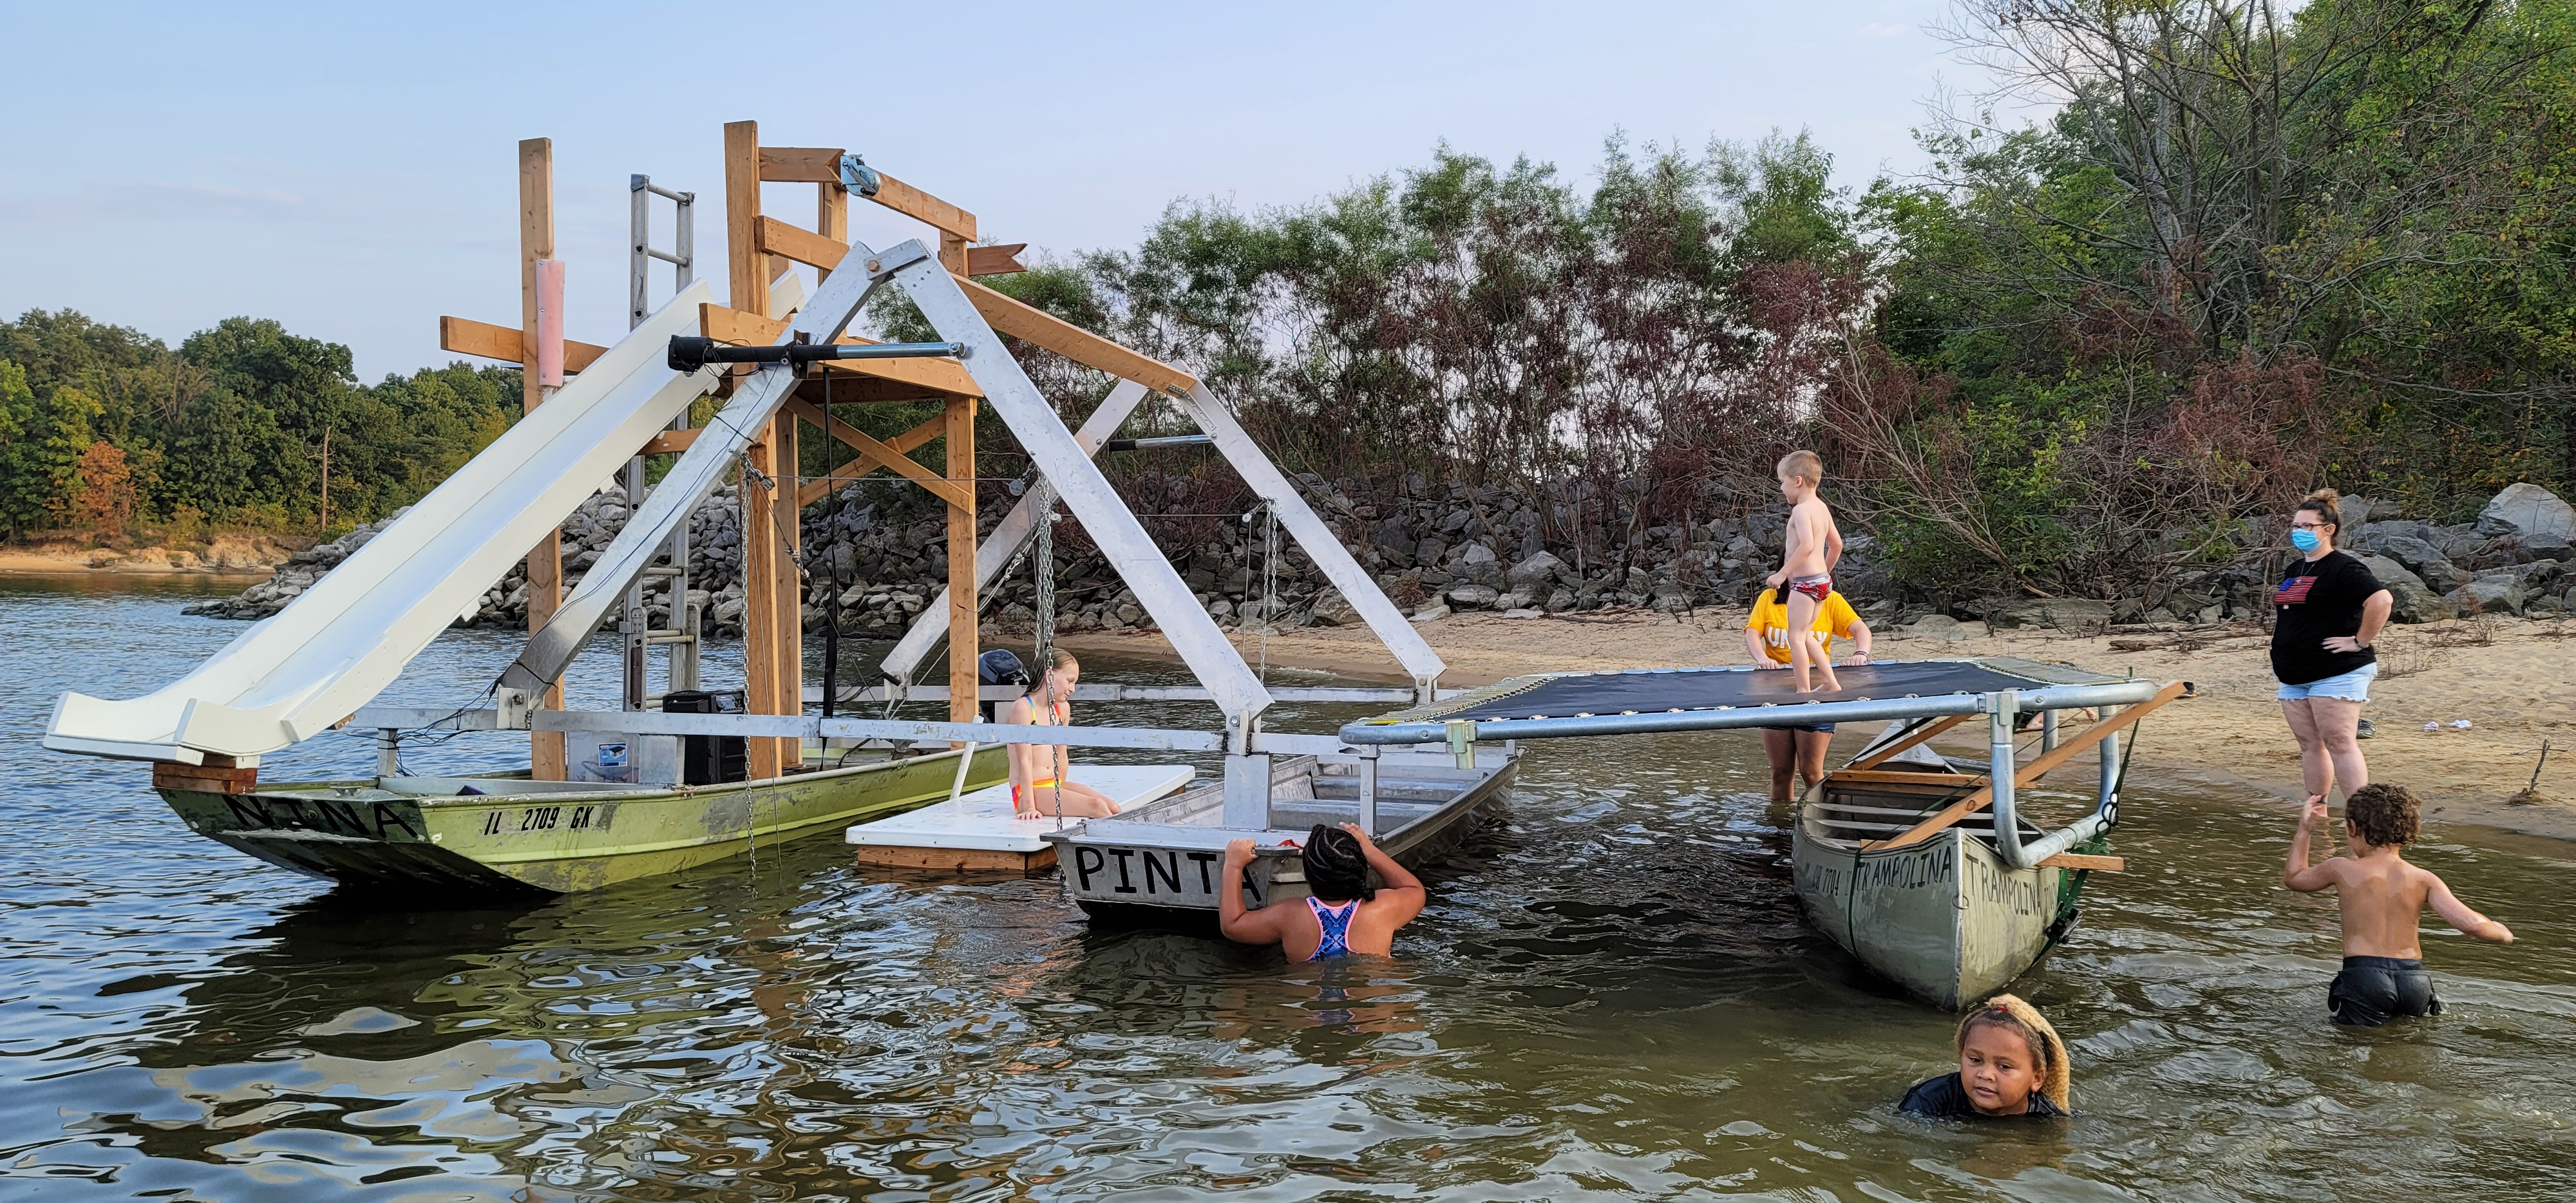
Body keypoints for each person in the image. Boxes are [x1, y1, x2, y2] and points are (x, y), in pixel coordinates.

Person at [2283, 784, 2514, 1025]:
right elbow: (2472, 924)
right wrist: (2502, 932)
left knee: (2356, 1042)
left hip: (2365, 978)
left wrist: (2305, 830)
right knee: (2405, 1038)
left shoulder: (2342, 868)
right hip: (2414, 981)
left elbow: (2295, 878)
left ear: (2353, 828)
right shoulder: (2424, 879)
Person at [2272, 488, 2393, 806]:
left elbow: (2381, 601)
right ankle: (2317, 813)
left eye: (2307, 526)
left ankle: (2360, 817)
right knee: (2310, 745)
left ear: (2328, 530)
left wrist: (2359, 641)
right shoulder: (2296, 569)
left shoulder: (2344, 568)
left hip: (2336, 671)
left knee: (2340, 742)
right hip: (2294, 674)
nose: (2299, 532)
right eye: (2295, 526)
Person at [1218, 823, 1426, 960]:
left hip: (1310, 1008)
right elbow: (1414, 889)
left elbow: (1232, 926)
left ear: (1306, 875)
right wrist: (1369, 850)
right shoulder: (1382, 908)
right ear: (1362, 868)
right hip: (1371, 1005)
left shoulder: (1290, 914)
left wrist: (1234, 865)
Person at [1744, 581, 1873, 802]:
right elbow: (1752, 632)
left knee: (1811, 771)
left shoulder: (1828, 599)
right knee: (1780, 772)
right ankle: (1780, 820)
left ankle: (1823, 816)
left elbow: (1860, 629)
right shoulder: (1770, 597)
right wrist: (1762, 659)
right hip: (1777, 691)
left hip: (1818, 692)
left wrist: (1861, 653)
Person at [1899, 994, 2073, 1119]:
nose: (1985, 1074)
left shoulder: (2049, 1118)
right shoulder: (1925, 1103)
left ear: (2036, 1079)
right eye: (1976, 1060)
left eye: (2004, 1066)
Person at [999, 647, 1122, 819]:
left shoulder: (1062, 709)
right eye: (1070, 681)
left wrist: (1064, 791)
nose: (1073, 689)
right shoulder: (1024, 708)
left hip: (1054, 784)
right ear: (1049, 676)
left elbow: (1062, 754)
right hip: (1029, 791)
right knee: (1097, 806)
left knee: (1114, 807)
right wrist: (1029, 807)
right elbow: (1025, 761)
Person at [1763, 450, 1845, 694]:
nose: (1781, 488)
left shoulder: (1801, 510)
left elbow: (1807, 545)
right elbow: (1837, 545)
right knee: (1806, 634)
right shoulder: (1821, 507)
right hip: (1821, 582)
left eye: (1782, 482)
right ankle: (1830, 682)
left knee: (1796, 637)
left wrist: (1782, 574)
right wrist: (1824, 573)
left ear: (1797, 481)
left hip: (1805, 584)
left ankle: (1803, 690)